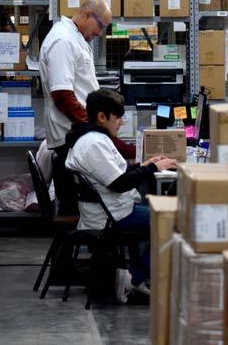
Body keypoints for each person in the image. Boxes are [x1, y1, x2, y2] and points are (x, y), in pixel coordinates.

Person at [64, 89, 177, 303]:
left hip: (113, 209)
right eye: (117, 117)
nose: (121, 122)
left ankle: (135, 275)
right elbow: (119, 184)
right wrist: (152, 169)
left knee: (166, 214)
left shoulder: (94, 138)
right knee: (175, 221)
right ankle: (134, 278)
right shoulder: (93, 144)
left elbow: (115, 173)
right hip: (111, 216)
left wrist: (144, 165)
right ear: (102, 117)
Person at [40, 0, 135, 215]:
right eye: (100, 25)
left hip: (81, 132)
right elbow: (63, 95)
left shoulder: (75, 37)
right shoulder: (62, 40)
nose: (100, 33)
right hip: (72, 134)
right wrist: (95, 125)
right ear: (87, 15)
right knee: (82, 204)